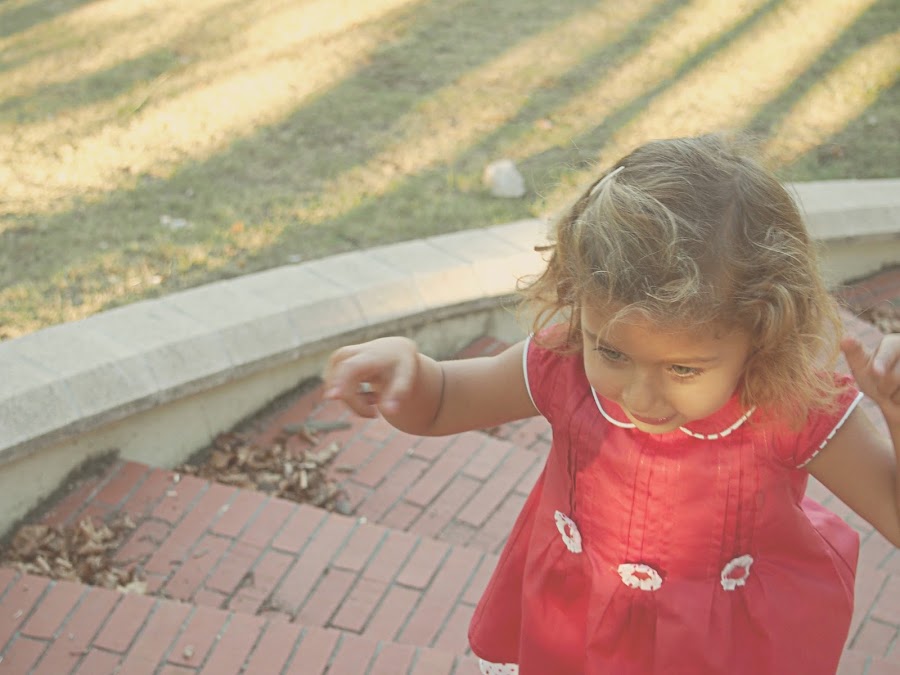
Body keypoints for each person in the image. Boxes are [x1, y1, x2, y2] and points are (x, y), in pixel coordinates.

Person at [323, 134, 900, 674]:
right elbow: (445, 402)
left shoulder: (790, 405)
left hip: (720, 651)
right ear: (580, 301)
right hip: (574, 634)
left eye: (682, 368)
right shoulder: (566, 362)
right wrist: (410, 372)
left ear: (764, 329)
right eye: (614, 352)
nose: (640, 396)